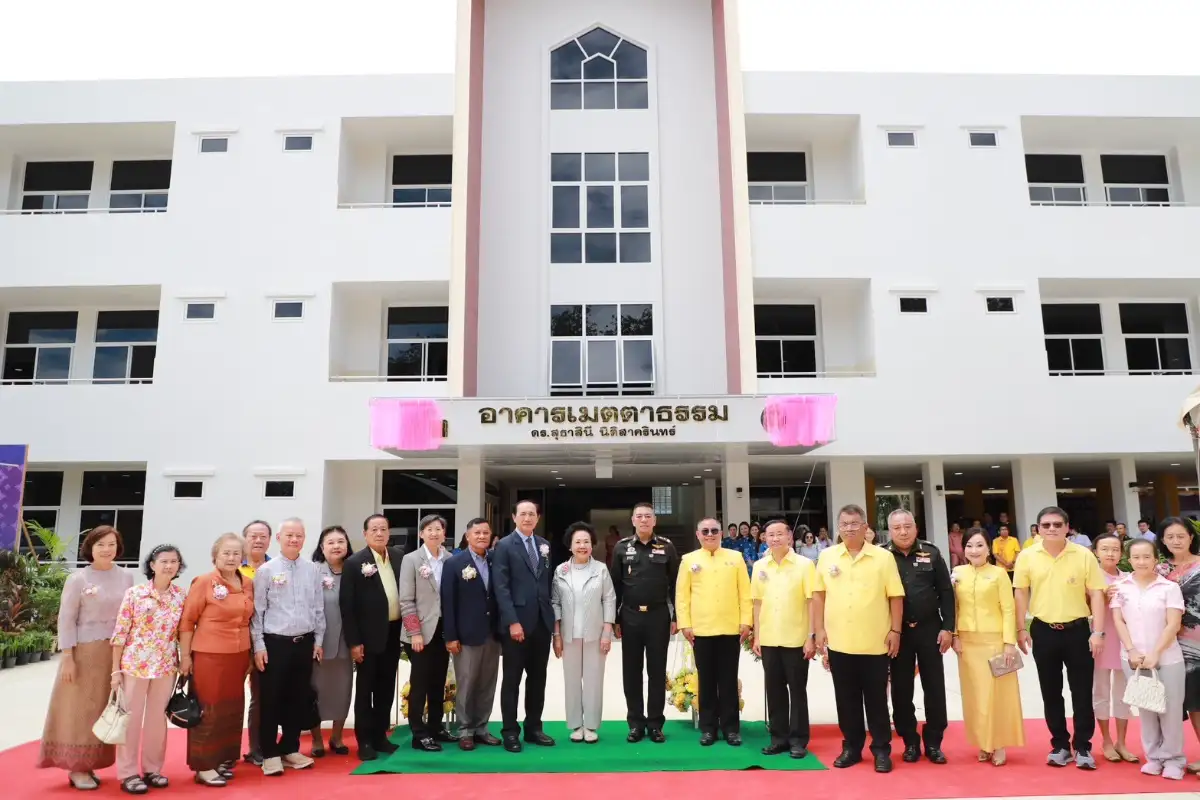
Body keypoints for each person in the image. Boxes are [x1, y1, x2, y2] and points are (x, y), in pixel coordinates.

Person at [37, 526, 134, 790]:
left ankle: (93, 762)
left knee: (106, 707)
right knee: (80, 709)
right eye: (101, 544)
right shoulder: (78, 579)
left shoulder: (127, 577)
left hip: (116, 652)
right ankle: (77, 767)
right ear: (90, 547)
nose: (107, 549)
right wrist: (67, 656)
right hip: (84, 652)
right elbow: (66, 619)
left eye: (112, 544)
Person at [1013, 506, 1107, 769]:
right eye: (1046, 525)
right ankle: (1060, 745)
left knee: (1081, 692)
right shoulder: (1027, 556)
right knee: (1051, 692)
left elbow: (1097, 593)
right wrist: (1020, 629)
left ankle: (1083, 747)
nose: (1051, 529)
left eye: (1057, 524)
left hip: (1078, 632)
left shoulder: (1084, 555)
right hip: (1043, 631)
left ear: (1067, 527)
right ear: (1038, 529)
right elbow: (1021, 593)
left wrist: (1098, 632)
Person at [813, 504, 905, 773]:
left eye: (855, 524)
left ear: (866, 527)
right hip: (840, 642)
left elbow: (895, 596)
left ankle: (881, 751)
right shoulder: (827, 556)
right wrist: (818, 630)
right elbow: (818, 595)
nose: (850, 528)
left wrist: (895, 631)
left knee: (876, 700)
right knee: (846, 700)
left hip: (875, 642)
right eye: (844, 524)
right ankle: (851, 747)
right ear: (838, 528)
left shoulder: (883, 558)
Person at [179, 533, 255, 787]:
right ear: (215, 556)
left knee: (231, 708)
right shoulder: (203, 582)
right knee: (209, 709)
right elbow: (187, 621)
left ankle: (224, 758)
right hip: (210, 655)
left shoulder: (247, 582)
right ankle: (204, 764)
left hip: (239, 655)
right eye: (226, 553)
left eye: (236, 553)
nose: (232, 558)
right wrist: (185, 657)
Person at [251, 518, 325, 776]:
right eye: (290, 535)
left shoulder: (313, 570)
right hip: (275, 644)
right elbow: (257, 612)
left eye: (300, 536)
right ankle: (269, 752)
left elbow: (318, 607)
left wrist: (319, 640)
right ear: (279, 538)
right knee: (271, 699)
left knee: (298, 697)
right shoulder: (266, 571)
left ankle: (291, 747)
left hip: (304, 643)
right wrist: (259, 645)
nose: (295, 540)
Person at [111, 545, 186, 795]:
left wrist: (185, 659)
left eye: (174, 561)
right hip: (134, 665)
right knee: (131, 720)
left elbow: (183, 633)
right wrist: (115, 671)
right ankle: (128, 772)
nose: (169, 566)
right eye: (163, 561)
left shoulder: (180, 596)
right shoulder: (135, 594)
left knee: (157, 721)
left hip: (165, 666)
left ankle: (153, 768)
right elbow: (120, 634)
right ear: (152, 565)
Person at [883, 509, 954, 764]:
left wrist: (948, 628)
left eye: (908, 526)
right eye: (897, 527)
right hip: (898, 633)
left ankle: (934, 742)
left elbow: (946, 592)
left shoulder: (931, 553)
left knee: (934, 687)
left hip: (930, 630)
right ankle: (910, 741)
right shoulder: (882, 556)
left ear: (916, 527)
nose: (903, 532)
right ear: (889, 530)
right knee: (901, 690)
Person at [1112, 537, 1186, 780]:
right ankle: (1154, 757)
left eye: (1147, 557)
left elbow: (1173, 623)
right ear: (1129, 560)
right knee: (1147, 709)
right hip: (1133, 658)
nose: (1141, 561)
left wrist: (1155, 653)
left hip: (1167, 658)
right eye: (1136, 557)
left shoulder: (1169, 588)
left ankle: (1174, 759)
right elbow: (1118, 620)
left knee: (1170, 711)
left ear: (1156, 559)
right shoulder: (1121, 587)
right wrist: (1132, 650)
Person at [951, 527, 1024, 766]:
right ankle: (983, 742)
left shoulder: (999, 574)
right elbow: (953, 609)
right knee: (975, 696)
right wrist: (955, 636)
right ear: (964, 548)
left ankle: (999, 743)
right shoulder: (957, 573)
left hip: (994, 642)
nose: (974, 550)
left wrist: (1009, 643)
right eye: (969, 545)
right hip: (967, 644)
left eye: (979, 545)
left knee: (997, 696)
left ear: (988, 548)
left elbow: (1008, 609)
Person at [677, 517, 751, 746]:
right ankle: (708, 728)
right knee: (706, 681)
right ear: (698, 534)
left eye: (714, 530)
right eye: (705, 531)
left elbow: (744, 593)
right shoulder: (688, 560)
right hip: (701, 630)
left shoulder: (735, 558)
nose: (710, 534)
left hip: (730, 629)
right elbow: (682, 596)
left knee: (728, 681)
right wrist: (685, 624)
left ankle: (731, 729)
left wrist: (746, 621)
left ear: (721, 534)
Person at [609, 501, 680, 743]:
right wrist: (614, 619)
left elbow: (675, 585)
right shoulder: (621, 548)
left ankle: (655, 723)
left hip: (658, 616)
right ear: (632, 521)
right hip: (629, 617)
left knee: (657, 671)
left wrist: (676, 616)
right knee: (631, 671)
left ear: (654, 521)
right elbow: (614, 587)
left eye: (648, 516)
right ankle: (635, 723)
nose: (643, 520)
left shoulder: (667, 547)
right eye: (639, 516)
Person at [492, 500, 556, 752]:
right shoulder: (505, 546)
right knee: (512, 679)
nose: (527, 518)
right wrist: (512, 621)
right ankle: (510, 731)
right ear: (514, 517)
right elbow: (501, 587)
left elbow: (546, 582)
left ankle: (534, 728)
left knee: (538, 678)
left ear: (537, 518)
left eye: (532, 514)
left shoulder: (544, 545)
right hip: (516, 624)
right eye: (523, 514)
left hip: (541, 622)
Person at [339, 514, 403, 761]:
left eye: (383, 529)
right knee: (366, 691)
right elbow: (348, 607)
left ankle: (380, 737)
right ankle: (364, 741)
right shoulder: (355, 563)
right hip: (367, 638)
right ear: (365, 534)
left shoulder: (398, 557)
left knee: (386, 689)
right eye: (374, 529)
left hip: (393, 633)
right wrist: (354, 642)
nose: (379, 533)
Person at [751, 519, 817, 759]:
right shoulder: (759, 566)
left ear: (790, 537)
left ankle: (798, 740)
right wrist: (757, 635)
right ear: (764, 538)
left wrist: (811, 636)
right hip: (769, 638)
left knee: (797, 691)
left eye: (780, 534)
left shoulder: (805, 565)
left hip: (796, 639)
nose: (775, 538)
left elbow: (812, 602)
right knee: (775, 690)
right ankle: (778, 738)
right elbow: (757, 603)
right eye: (771, 535)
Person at [551, 522, 617, 743]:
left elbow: (609, 599)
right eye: (577, 542)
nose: (582, 546)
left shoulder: (600, 569)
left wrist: (607, 632)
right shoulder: (561, 570)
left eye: (586, 542)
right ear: (570, 546)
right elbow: (555, 603)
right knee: (571, 680)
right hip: (568, 635)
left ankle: (590, 725)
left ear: (592, 545)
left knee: (593, 680)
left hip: (595, 634)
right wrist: (556, 635)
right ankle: (575, 725)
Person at [441, 518, 502, 751]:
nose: (482, 536)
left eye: (486, 532)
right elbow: (448, 602)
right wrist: (451, 636)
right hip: (466, 635)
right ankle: (465, 730)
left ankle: (481, 728)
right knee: (466, 682)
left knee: (487, 683)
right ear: (467, 536)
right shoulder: (455, 563)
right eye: (477, 532)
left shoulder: (496, 560)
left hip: (492, 633)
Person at [399, 513, 456, 751]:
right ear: (422, 534)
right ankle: (418, 733)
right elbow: (406, 600)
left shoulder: (451, 559)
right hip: (420, 631)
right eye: (429, 529)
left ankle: (436, 727)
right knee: (420, 682)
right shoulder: (411, 560)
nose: (434, 533)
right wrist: (415, 633)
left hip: (444, 629)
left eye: (439, 529)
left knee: (439, 681)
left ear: (444, 533)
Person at [1157, 516, 1200, 773]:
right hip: (1176, 647)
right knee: (1194, 701)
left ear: (1191, 538)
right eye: (1170, 537)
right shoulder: (1159, 571)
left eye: (1180, 536)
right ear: (1162, 540)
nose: (1176, 541)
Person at [1092, 533, 1136, 763]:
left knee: (1123, 693)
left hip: (1124, 641)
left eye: (1115, 549)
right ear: (1096, 552)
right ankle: (1106, 740)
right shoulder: (1089, 578)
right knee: (1100, 691)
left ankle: (1122, 741)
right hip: (1099, 639)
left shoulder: (1130, 578)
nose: (1110, 554)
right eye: (1105, 549)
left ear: (1122, 553)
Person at [310, 526, 353, 758]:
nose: (337, 546)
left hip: (347, 642)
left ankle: (337, 737)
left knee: (343, 690)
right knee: (316, 691)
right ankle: (316, 739)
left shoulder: (355, 569)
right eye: (331, 542)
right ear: (322, 546)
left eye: (341, 541)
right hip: (319, 643)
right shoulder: (313, 571)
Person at [239, 520, 272, 766]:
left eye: (263, 536)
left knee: (261, 697)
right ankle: (223, 750)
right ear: (244, 539)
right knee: (228, 697)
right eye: (253, 536)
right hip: (236, 641)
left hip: (265, 641)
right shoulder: (232, 567)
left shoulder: (276, 567)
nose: (258, 540)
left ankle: (258, 747)